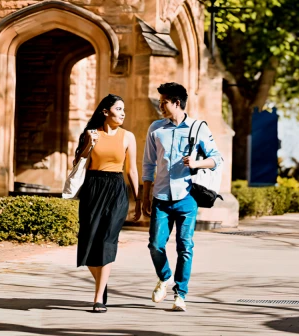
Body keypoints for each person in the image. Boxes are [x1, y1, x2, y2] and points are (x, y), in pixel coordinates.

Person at [141, 82, 222, 312]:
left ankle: (180, 294)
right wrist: (145, 196)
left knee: (185, 246)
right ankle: (164, 277)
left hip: (188, 197)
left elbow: (217, 158)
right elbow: (148, 164)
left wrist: (197, 163)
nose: (160, 106)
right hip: (161, 197)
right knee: (155, 245)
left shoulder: (198, 128)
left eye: (164, 102)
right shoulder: (156, 129)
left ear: (177, 103)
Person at [74, 94, 140, 313]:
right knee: (87, 241)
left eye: (124, 110)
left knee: (107, 240)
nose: (122, 113)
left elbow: (131, 170)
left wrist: (138, 200)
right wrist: (88, 144)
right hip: (93, 188)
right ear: (105, 111)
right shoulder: (91, 134)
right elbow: (79, 162)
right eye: (118, 109)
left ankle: (98, 297)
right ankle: (102, 279)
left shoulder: (128, 137)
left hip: (116, 189)